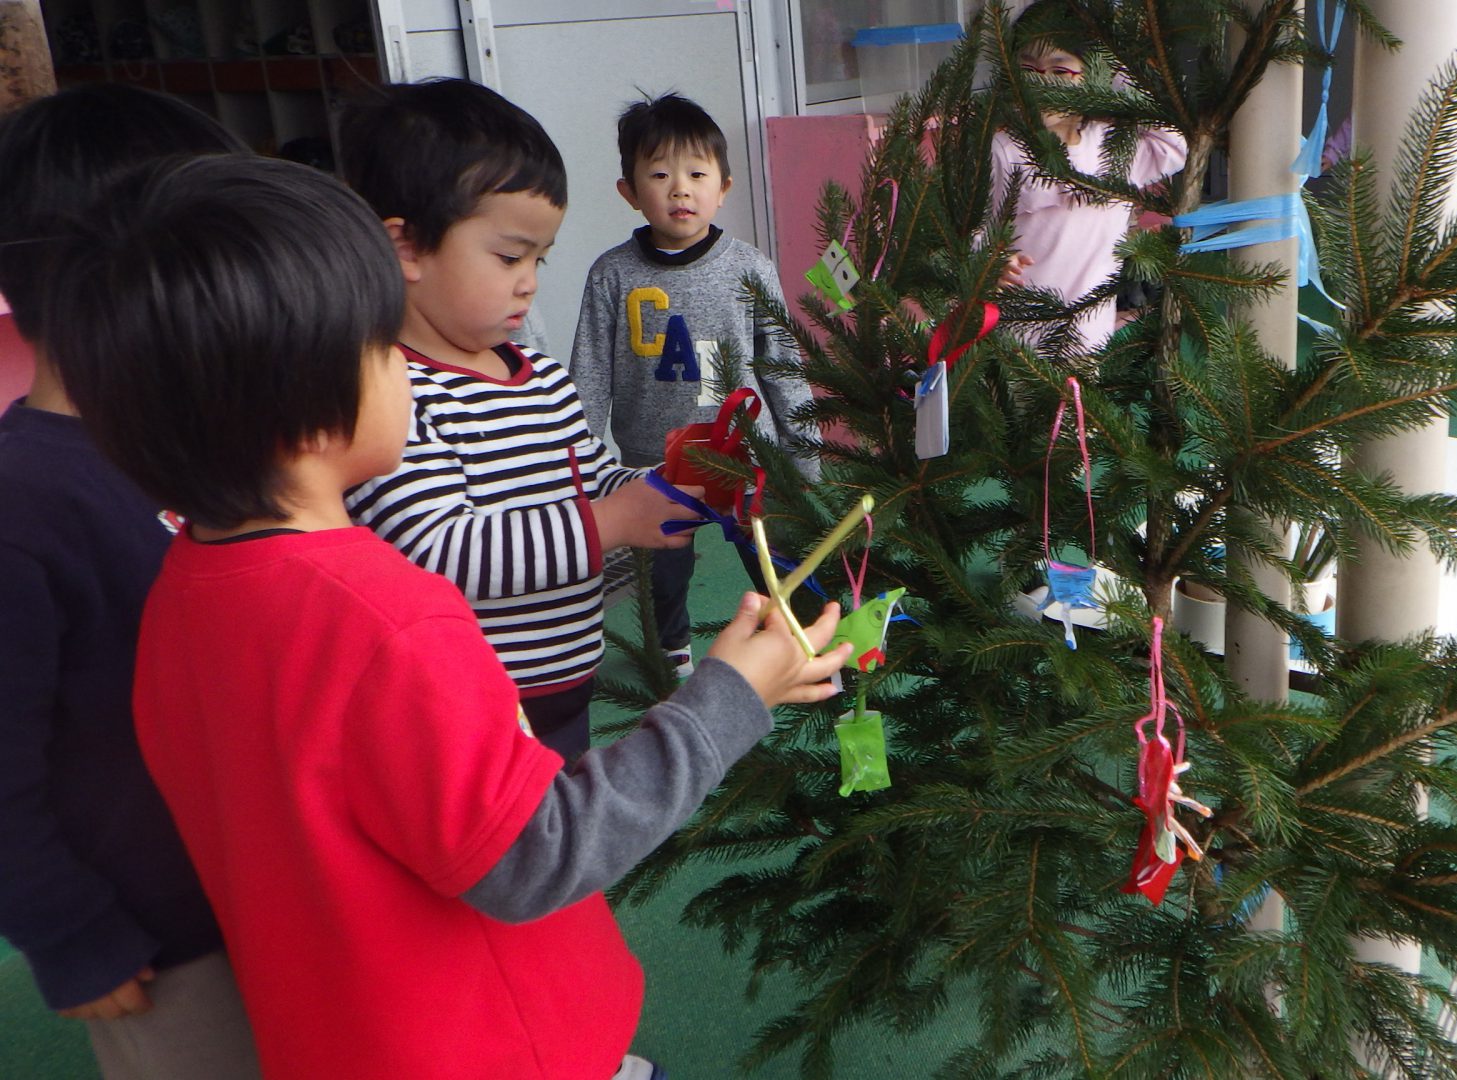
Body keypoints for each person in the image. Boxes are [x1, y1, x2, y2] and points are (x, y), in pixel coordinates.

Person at [44, 152, 851, 1080]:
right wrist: (732, 694)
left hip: (344, 1040)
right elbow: (539, 850)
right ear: (309, 404)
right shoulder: (388, 617)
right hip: (493, 1049)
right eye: (384, 345)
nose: (412, 366)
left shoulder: (182, 589)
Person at [0, 84, 260, 1080]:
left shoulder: (206, 448)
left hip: (268, 895)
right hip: (158, 943)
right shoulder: (22, 504)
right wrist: (70, 932)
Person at [337, 79, 695, 761]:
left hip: (567, 686)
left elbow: (594, 478)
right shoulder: (390, 390)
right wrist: (613, 522)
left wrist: (667, 484)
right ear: (406, 248)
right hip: (463, 716)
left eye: (539, 258)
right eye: (509, 257)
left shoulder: (541, 378)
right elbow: (436, 551)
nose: (529, 281)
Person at [570, 92, 815, 680]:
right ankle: (672, 650)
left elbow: (782, 364)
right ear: (629, 191)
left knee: (774, 559)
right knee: (663, 569)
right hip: (654, 460)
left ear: (723, 187)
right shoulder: (611, 273)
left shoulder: (749, 267)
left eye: (697, 175)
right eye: (659, 175)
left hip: (746, 455)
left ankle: (795, 639)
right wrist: (581, 467)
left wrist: (801, 455)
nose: (680, 189)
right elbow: (590, 374)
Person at [992, 0, 1188, 351]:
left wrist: (1117, 61)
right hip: (1020, 342)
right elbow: (976, 226)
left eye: (1060, 70)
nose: (1043, 84)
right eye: (1028, 68)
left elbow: (1172, 142)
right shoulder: (1007, 149)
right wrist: (993, 260)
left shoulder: (1114, 144)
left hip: (1088, 339)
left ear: (1094, 74)